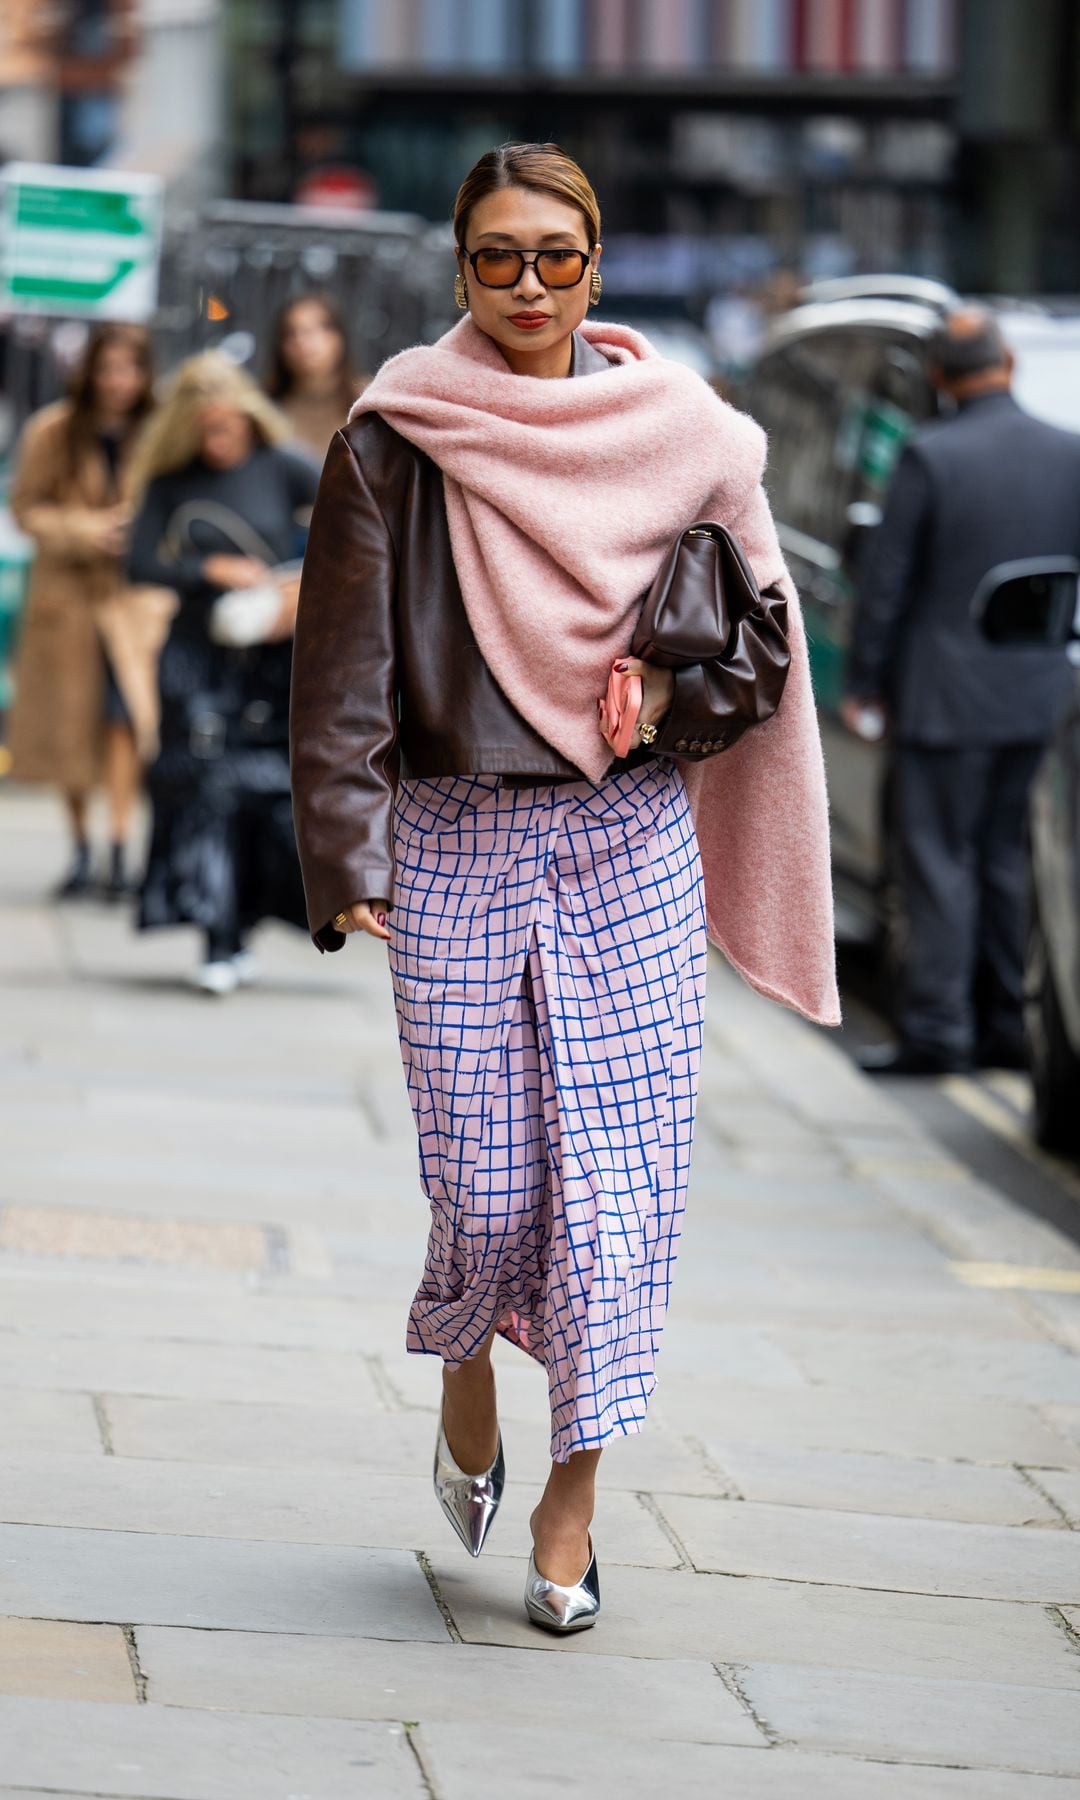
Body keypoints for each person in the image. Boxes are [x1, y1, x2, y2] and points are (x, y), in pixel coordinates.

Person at [290, 141, 837, 1635]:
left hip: (630, 839)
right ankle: (467, 1358)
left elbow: (760, 645)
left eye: (557, 254)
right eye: (496, 257)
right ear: (457, 268)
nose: (528, 284)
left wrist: (665, 708)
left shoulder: (693, 430)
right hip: (455, 834)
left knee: (618, 1185)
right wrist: (347, 859)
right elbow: (339, 671)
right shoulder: (395, 433)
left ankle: (575, 1499)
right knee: (482, 1179)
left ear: (598, 259)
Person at [843, 307, 1080, 1076]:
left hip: (944, 699)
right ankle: (1010, 1025)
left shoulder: (928, 453)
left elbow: (886, 583)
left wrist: (865, 682)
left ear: (940, 378)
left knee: (938, 863)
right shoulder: (1068, 452)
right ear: (1006, 363)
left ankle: (940, 1032)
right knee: (1012, 861)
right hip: (1040, 693)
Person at [126, 353, 318, 994]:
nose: (220, 442)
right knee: (200, 783)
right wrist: (208, 571)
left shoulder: (283, 464)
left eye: (229, 428)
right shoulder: (171, 480)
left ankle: (244, 920)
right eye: (206, 431)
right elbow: (139, 563)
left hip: (269, 653)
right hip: (195, 652)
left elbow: (355, 521)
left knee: (262, 790)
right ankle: (217, 933)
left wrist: (298, 592)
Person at [7, 322, 166, 898]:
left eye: (130, 369)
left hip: (135, 599)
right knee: (70, 726)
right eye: (108, 368)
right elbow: (26, 508)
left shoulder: (158, 432)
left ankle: (121, 846)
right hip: (68, 601)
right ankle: (80, 849)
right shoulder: (53, 430)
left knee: (126, 721)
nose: (118, 382)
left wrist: (139, 531)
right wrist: (84, 530)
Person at [264, 293, 364, 464]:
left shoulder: (369, 403)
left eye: (312, 331)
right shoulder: (264, 410)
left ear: (338, 338)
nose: (301, 341)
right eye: (291, 333)